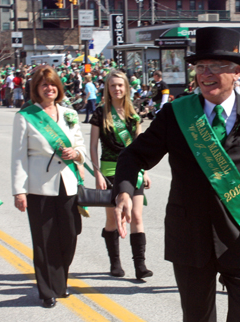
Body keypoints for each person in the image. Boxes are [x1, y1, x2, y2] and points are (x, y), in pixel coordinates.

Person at [112, 27, 240, 321]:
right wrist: (123, 190)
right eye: (200, 67)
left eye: (216, 67)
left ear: (236, 72)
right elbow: (133, 155)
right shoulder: (175, 114)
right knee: (197, 317)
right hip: (189, 236)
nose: (205, 74)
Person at [11, 65, 86, 308]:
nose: (49, 88)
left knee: (70, 235)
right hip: (39, 187)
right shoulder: (26, 116)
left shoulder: (68, 114)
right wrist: (19, 190)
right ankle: (48, 290)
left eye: (52, 84)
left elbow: (81, 147)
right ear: (36, 89)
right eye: (44, 84)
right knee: (44, 240)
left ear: (59, 87)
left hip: (68, 184)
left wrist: (76, 153)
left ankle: (60, 281)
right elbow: (18, 156)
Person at [89, 69, 153, 280]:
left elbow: (141, 147)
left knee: (136, 216)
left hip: (133, 171)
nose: (117, 89)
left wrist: (145, 172)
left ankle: (140, 265)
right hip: (109, 170)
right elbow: (93, 147)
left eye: (120, 85)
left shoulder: (133, 115)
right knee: (113, 219)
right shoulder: (100, 112)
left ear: (126, 88)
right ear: (107, 88)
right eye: (113, 85)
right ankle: (115, 262)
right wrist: (97, 173)